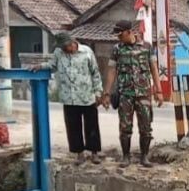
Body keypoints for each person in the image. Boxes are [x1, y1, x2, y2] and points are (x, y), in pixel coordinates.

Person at [102, 19, 163, 167]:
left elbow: (154, 68)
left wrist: (158, 90)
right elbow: (111, 71)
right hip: (125, 94)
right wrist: (106, 93)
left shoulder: (147, 47)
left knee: (146, 127)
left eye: (120, 34)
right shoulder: (117, 49)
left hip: (144, 94)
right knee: (125, 127)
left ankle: (144, 157)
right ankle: (125, 157)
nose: (118, 37)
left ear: (129, 32)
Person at [51, 32, 103, 165]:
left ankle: (94, 153)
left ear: (72, 43)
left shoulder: (86, 52)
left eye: (65, 46)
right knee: (73, 127)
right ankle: (79, 154)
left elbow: (95, 72)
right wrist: (40, 67)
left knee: (91, 126)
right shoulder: (58, 53)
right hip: (69, 97)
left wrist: (98, 92)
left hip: (87, 96)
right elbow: (52, 66)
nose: (63, 49)